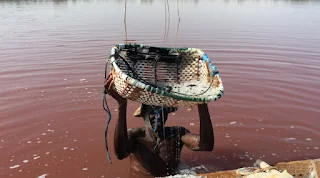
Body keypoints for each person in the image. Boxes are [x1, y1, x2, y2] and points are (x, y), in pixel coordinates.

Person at [104, 72, 214, 177]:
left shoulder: (177, 134)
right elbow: (120, 154)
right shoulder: (135, 136)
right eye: (152, 112)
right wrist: (122, 105)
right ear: (143, 114)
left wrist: (202, 104)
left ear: (167, 114)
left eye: (162, 111)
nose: (158, 116)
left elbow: (206, 145)